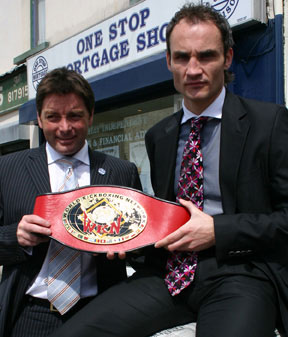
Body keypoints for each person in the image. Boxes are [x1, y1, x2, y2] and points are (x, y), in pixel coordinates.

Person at [49, 4, 288, 337]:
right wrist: (127, 238)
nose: (193, 69)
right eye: (181, 57)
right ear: (168, 62)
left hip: (241, 273)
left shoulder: (269, 122)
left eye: (206, 56)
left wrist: (219, 230)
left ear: (228, 58)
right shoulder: (158, 136)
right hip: (168, 276)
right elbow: (164, 218)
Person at [0, 67, 142, 337]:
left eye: (75, 116)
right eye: (53, 117)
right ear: (40, 120)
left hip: (101, 312)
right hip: (30, 316)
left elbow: (142, 242)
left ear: (90, 116)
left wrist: (129, 246)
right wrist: (14, 237)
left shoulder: (121, 171)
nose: (64, 128)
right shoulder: (7, 170)